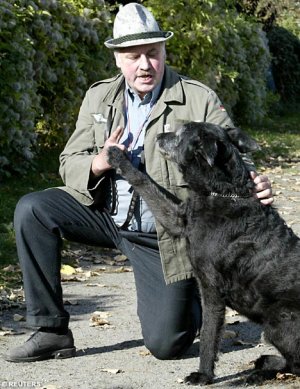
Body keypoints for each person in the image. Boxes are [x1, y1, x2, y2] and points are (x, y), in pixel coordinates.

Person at [5, 3, 273, 363]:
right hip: (104, 214)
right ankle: (51, 331)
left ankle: (191, 295)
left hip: (162, 235)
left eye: (153, 53)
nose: (144, 65)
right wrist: (99, 162)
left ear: (164, 52)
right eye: (133, 56)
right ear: (118, 58)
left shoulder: (197, 97)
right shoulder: (98, 96)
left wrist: (256, 181)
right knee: (32, 209)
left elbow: (234, 156)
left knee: (166, 345)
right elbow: (69, 162)